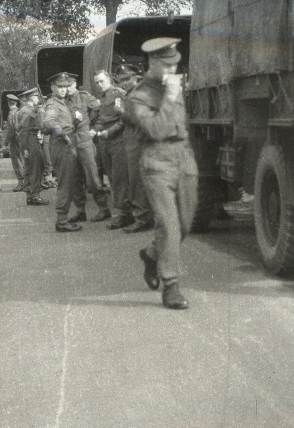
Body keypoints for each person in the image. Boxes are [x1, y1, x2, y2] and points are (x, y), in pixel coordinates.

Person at [127, 37, 198, 309]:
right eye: (166, 66)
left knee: (185, 224)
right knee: (169, 224)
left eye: (175, 65)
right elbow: (156, 130)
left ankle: (151, 255)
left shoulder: (175, 87)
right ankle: (171, 286)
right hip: (157, 162)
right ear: (152, 63)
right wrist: (169, 96)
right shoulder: (138, 97)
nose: (172, 71)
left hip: (183, 158)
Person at [90, 69, 134, 230]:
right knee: (112, 179)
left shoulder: (120, 94)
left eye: (101, 81)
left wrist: (109, 132)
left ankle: (124, 214)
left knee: (120, 178)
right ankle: (122, 211)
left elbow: (124, 119)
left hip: (118, 141)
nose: (99, 85)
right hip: (105, 142)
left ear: (109, 79)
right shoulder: (101, 98)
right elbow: (102, 118)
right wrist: (95, 130)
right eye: (97, 82)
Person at [65, 74, 112, 223]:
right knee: (74, 178)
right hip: (70, 142)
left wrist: (95, 127)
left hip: (85, 140)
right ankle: (80, 210)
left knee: (92, 177)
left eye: (70, 85)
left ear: (75, 84)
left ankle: (103, 208)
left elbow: (100, 110)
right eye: (65, 86)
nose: (67, 88)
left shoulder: (85, 97)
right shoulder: (63, 101)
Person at [113, 64, 154, 233]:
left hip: (139, 142)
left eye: (127, 79)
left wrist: (121, 112)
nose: (123, 83)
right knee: (135, 180)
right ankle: (143, 216)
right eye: (121, 80)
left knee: (137, 181)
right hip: (133, 142)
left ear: (135, 77)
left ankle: (143, 218)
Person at [43, 72, 82, 232]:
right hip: (62, 145)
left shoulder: (62, 103)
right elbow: (48, 121)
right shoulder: (53, 104)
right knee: (65, 183)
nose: (63, 90)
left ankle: (63, 218)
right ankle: (62, 220)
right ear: (53, 87)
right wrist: (62, 134)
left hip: (64, 143)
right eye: (60, 87)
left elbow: (46, 127)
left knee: (68, 181)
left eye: (65, 87)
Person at [16, 88, 49, 206]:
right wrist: (24, 148)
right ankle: (34, 195)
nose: (38, 99)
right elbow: (23, 130)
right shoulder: (27, 111)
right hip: (30, 140)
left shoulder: (28, 110)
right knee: (35, 167)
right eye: (36, 97)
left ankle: (30, 195)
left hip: (31, 139)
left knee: (31, 168)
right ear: (32, 97)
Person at [3, 94, 25, 192]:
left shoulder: (11, 113)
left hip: (15, 140)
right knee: (23, 160)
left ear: (9, 103)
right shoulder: (19, 111)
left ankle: (21, 183)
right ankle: (26, 182)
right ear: (16, 103)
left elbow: (11, 130)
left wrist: (6, 142)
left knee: (17, 161)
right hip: (22, 139)